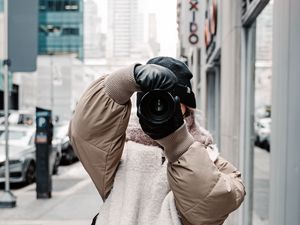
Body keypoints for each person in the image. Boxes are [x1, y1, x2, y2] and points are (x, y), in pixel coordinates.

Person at [68, 56, 245, 225]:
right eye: (154, 101)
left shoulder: (210, 158)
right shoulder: (119, 152)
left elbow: (213, 204)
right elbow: (86, 133)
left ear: (186, 107)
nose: (162, 107)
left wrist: (179, 144)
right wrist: (121, 82)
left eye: (170, 101)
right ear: (142, 105)